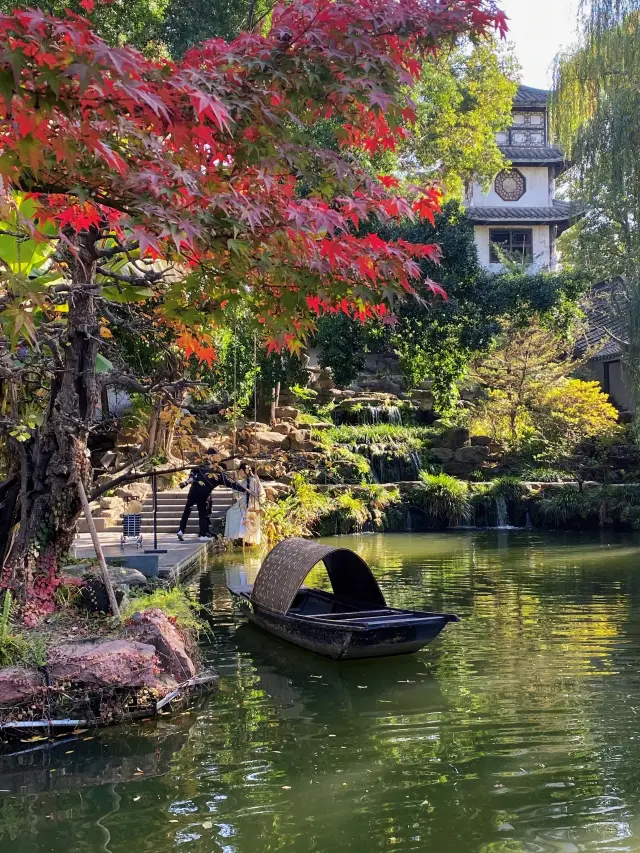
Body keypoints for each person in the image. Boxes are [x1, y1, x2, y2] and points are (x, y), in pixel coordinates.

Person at [177, 449, 246, 541]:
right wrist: (244, 490)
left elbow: (193, 474)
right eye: (216, 456)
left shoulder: (202, 465)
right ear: (211, 456)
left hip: (193, 490)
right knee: (203, 514)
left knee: (187, 510)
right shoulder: (218, 473)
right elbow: (231, 483)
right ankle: (202, 535)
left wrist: (187, 481)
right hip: (203, 494)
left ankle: (181, 530)